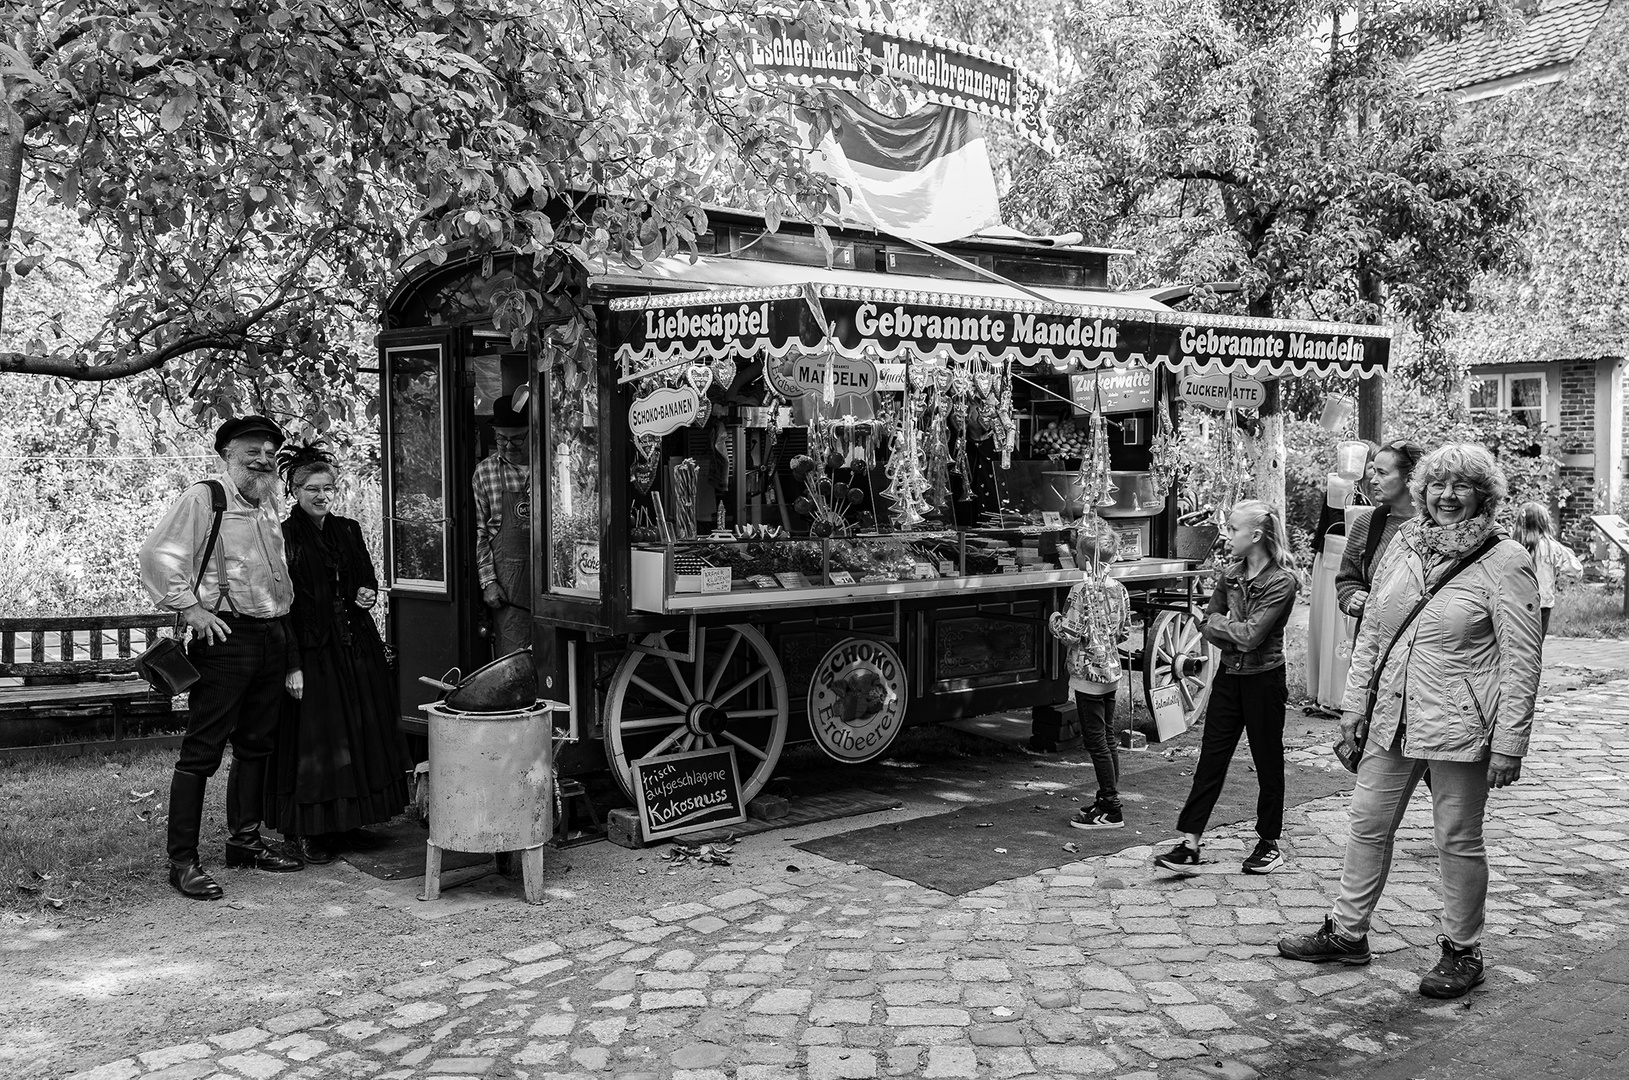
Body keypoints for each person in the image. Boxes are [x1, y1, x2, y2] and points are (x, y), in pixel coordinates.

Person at [1278, 443, 1542, 1000]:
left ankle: (1463, 950)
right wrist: (1353, 708)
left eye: (1462, 486)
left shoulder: (1506, 560)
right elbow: (1373, 631)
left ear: (1483, 494)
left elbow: (1522, 658)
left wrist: (1510, 743)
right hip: (1390, 715)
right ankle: (1348, 934)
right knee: (1368, 825)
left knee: (1457, 838)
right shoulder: (1402, 543)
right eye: (1438, 485)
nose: (1448, 496)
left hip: (1460, 724)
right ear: (1421, 490)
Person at [140, 415, 303, 900]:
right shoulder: (204, 498)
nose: (262, 458)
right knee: (203, 749)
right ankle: (183, 862)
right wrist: (191, 609)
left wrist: (285, 642)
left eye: (269, 451)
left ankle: (244, 842)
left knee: (256, 744)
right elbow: (157, 555)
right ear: (227, 454)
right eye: (250, 450)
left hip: (270, 634)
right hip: (225, 639)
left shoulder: (266, 503)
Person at [265, 446, 413, 865]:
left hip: (354, 646)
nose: (321, 495)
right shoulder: (283, 535)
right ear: (294, 490)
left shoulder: (348, 530)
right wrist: (292, 664)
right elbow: (282, 603)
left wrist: (366, 591)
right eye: (312, 489)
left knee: (358, 735)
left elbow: (364, 579)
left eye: (328, 488)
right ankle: (307, 831)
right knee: (316, 738)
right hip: (311, 651)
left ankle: (349, 824)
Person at [1154, 499, 1298, 876]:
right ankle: (1189, 843)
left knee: (1268, 761)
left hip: (1264, 681)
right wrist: (1222, 627)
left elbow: (1250, 636)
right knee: (1211, 759)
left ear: (1256, 535)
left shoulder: (1282, 581)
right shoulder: (1230, 575)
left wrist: (1221, 626)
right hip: (1229, 678)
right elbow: (1206, 624)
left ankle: (1269, 842)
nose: (1226, 534)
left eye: (1233, 528)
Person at [1047, 518, 1133, 829]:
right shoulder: (1119, 589)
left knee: (1096, 741)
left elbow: (1070, 633)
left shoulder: (1080, 590)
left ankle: (1111, 806)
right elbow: (1124, 632)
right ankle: (1107, 798)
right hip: (1111, 671)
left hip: (1087, 674)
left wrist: (1054, 619)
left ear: (1085, 559)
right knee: (1107, 737)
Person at [1306, 444, 1373, 709]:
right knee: (1335, 624)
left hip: (1347, 561)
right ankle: (1335, 691)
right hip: (1336, 560)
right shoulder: (1344, 487)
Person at [1337, 441, 1425, 627]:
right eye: (1374, 471)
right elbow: (1347, 579)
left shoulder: (1436, 527)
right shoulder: (1367, 524)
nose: (1373, 480)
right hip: (1372, 645)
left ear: (1410, 478)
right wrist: (1353, 601)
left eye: (1382, 473)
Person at [475, 396, 532, 657]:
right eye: (501, 439)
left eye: (517, 438)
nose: (508, 446)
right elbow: (480, 532)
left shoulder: (552, 465)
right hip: (510, 582)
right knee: (514, 660)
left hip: (550, 578)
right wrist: (488, 582)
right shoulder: (485, 472)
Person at [1515, 501, 1582, 638]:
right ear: (1543, 523)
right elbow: (1576, 571)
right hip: (1541, 603)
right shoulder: (1552, 548)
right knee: (1536, 643)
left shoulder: (1512, 546)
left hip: (1515, 604)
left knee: (1518, 643)